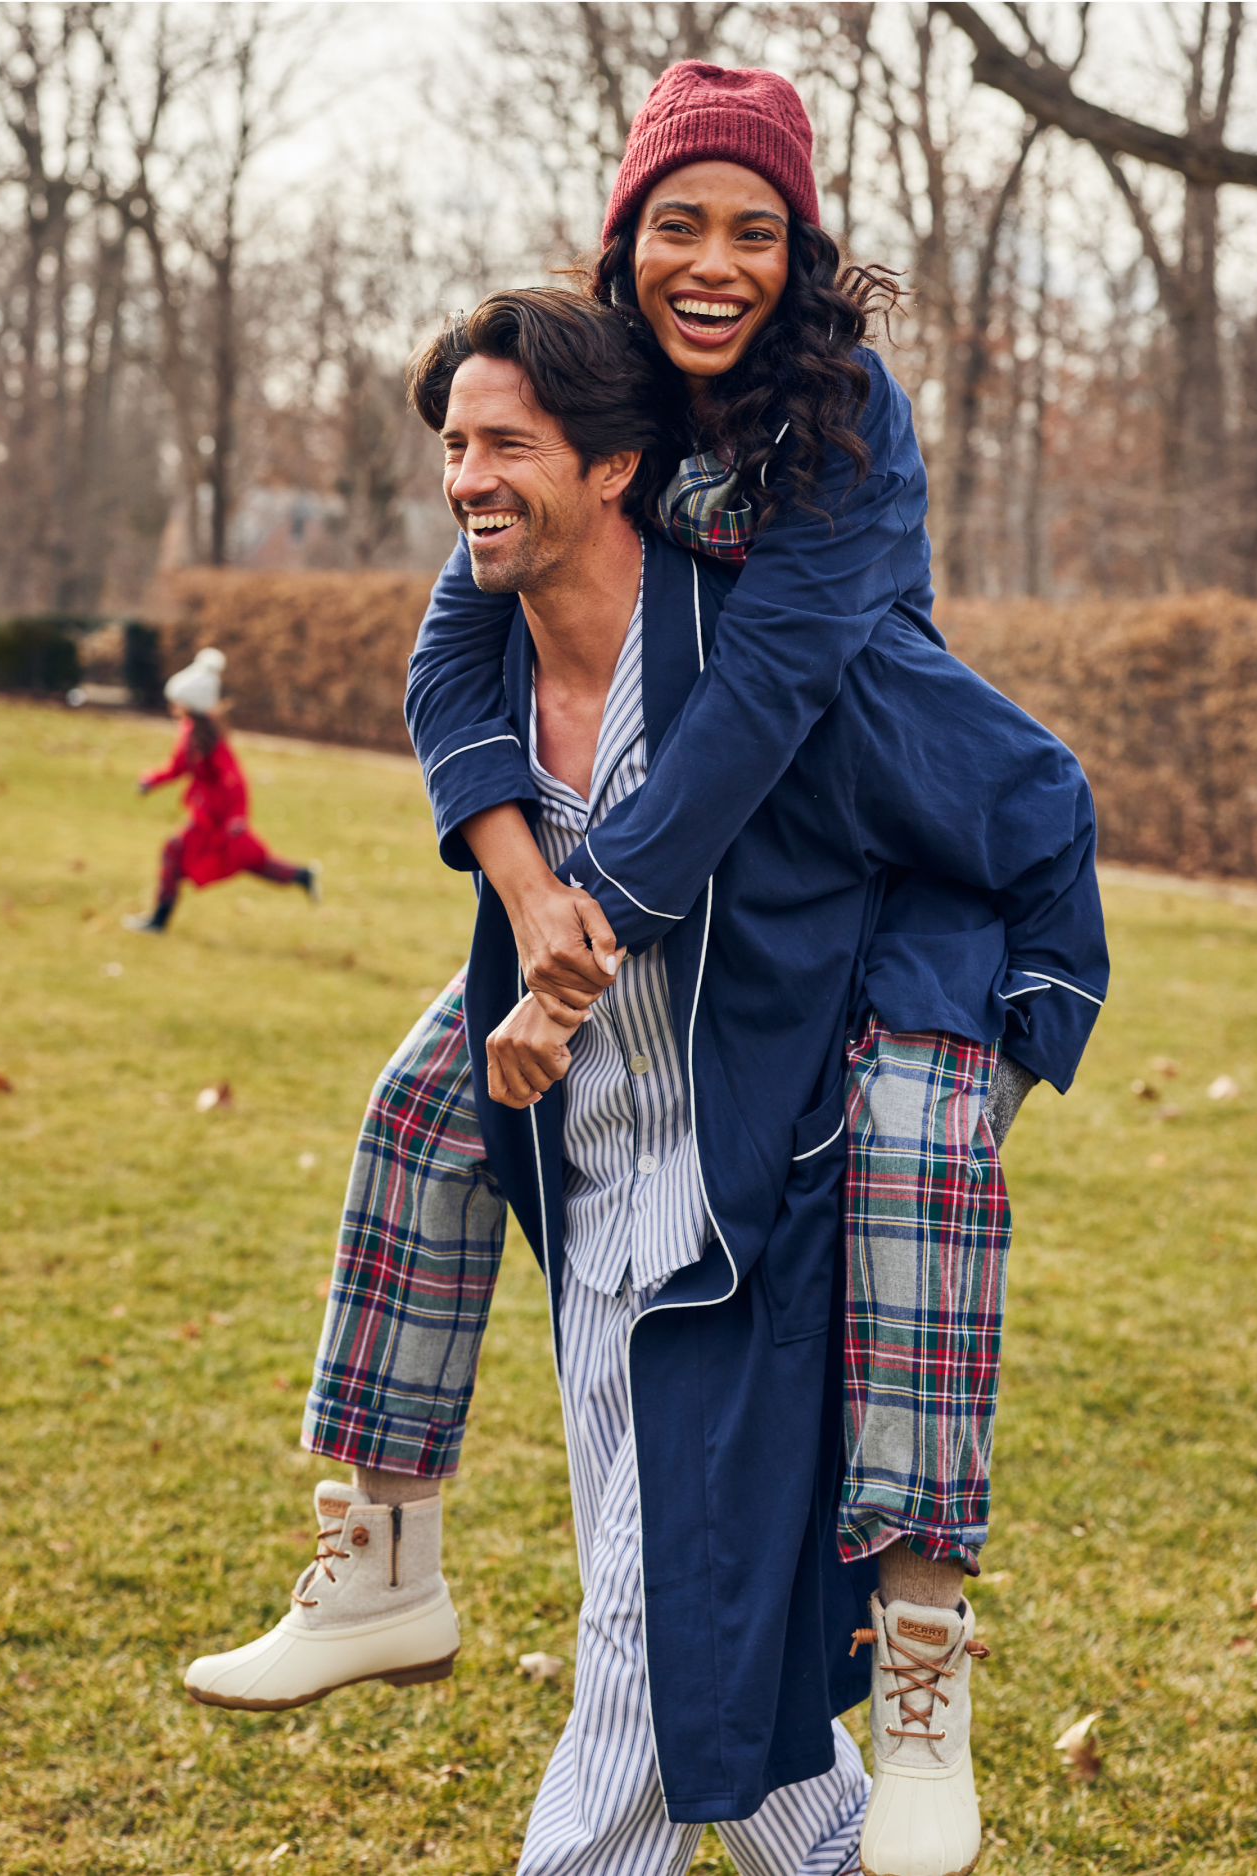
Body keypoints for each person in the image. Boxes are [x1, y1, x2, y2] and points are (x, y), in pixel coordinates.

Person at [184, 290, 1107, 1876]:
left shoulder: (781, 665)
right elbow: (448, 711)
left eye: (508, 446)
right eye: (455, 446)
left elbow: (1023, 793)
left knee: (648, 1631)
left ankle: (903, 1683)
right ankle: (389, 1558)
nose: (469, 477)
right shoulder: (491, 653)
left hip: (750, 1212)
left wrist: (999, 1039)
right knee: (721, 1673)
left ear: (617, 467)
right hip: (594, 1194)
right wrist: (534, 937)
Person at [124, 648, 318, 932]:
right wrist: (151, 780)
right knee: (247, 861)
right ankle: (303, 876)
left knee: (182, 852)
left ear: (190, 705)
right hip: (209, 815)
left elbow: (235, 781)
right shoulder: (191, 733)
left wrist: (237, 818)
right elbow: (178, 767)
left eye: (177, 703)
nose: (173, 708)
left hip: (220, 819)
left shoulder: (209, 741)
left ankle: (159, 919)